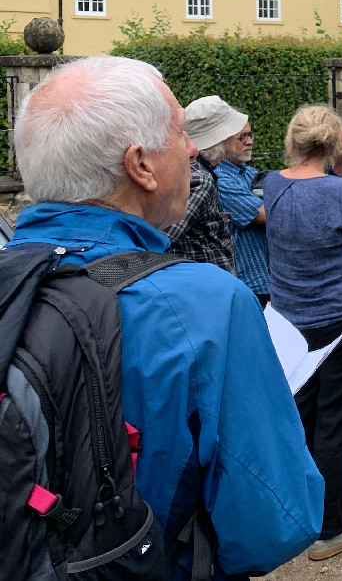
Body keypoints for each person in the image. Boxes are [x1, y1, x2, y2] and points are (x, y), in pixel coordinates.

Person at [9, 56, 323, 578]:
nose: (194, 147)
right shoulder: (205, 305)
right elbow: (275, 525)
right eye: (180, 133)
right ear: (141, 165)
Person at [263, 105, 342, 560]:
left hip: (291, 325)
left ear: (294, 141)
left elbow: (309, 189)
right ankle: (330, 528)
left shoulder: (273, 184)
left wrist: (337, 167)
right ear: (334, 144)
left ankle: (299, 515)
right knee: (334, 426)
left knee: (303, 421)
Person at [164, 95, 241, 273]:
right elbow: (163, 237)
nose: (237, 136)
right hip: (206, 289)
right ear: (221, 138)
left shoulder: (199, 171)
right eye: (232, 132)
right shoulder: (199, 178)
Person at [213, 119, 271, 306]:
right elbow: (264, 215)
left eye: (250, 135)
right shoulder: (220, 178)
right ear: (221, 141)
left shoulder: (248, 172)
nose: (250, 141)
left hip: (261, 278)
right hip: (244, 282)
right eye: (242, 137)